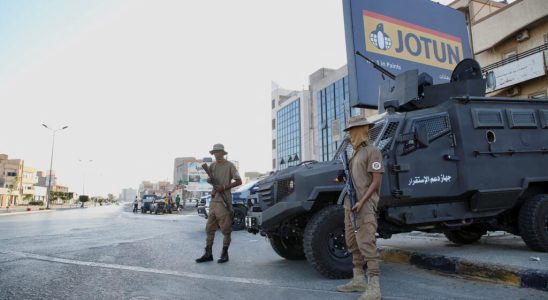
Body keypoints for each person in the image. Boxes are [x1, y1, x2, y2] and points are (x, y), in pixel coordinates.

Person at [336, 116, 384, 300]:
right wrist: (341, 177)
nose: (351, 134)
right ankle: (358, 279)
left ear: (363, 130)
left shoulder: (373, 151)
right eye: (350, 131)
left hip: (363, 205)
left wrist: (362, 201)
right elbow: (352, 180)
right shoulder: (353, 155)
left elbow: (376, 181)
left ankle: (374, 286)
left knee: (366, 243)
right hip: (350, 204)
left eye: (354, 130)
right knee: (352, 242)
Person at [196, 143, 242, 264]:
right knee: (209, 228)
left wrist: (224, 187)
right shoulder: (212, 166)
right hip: (214, 200)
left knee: (226, 229)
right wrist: (210, 180)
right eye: (215, 152)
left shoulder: (230, 166)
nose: (216, 154)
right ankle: (208, 253)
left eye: (218, 152)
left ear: (223, 153)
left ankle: (224, 253)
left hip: (224, 200)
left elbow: (239, 181)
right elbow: (210, 179)